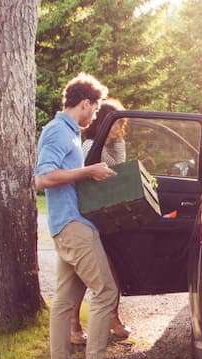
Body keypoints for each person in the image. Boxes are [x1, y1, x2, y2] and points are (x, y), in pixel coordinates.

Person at [35, 72, 137, 359]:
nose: (94, 117)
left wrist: (91, 179)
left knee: (64, 304)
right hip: (73, 228)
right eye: (93, 110)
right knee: (106, 291)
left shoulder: (69, 133)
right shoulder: (57, 132)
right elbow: (43, 178)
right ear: (84, 103)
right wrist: (89, 171)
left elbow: (64, 177)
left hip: (67, 224)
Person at [72, 98, 133, 344]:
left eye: (122, 124)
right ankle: (74, 325)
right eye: (116, 125)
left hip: (108, 218)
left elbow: (120, 168)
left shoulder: (111, 146)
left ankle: (113, 318)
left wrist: (117, 139)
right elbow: (111, 176)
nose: (121, 130)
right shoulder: (89, 147)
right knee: (84, 276)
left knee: (113, 269)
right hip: (90, 219)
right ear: (103, 124)